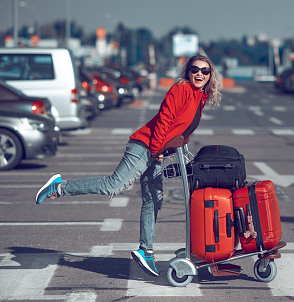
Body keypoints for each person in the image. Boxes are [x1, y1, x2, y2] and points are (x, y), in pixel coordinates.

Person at [34, 55, 221, 277]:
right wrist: (157, 150)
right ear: (188, 71)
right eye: (195, 69)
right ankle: (59, 187)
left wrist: (174, 149)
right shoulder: (180, 89)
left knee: (153, 199)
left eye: (205, 71)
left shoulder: (200, 95)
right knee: (113, 185)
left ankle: (146, 251)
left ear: (211, 75)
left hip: (158, 150)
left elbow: (182, 128)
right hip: (145, 146)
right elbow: (164, 119)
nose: (199, 74)